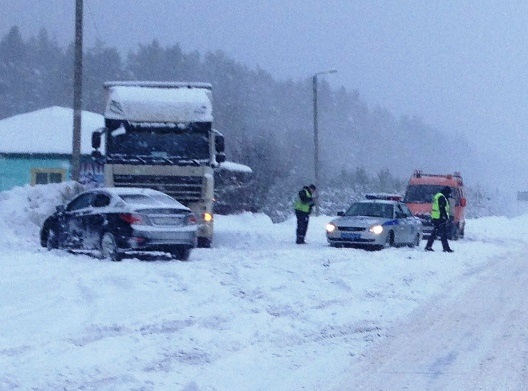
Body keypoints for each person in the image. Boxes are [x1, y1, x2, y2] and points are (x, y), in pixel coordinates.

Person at [425, 186, 454, 252]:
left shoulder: (437, 195)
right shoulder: (441, 197)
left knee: (435, 233)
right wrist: (445, 217)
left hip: (436, 217)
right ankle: (446, 248)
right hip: (440, 218)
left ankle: (428, 246)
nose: (449, 195)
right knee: (443, 234)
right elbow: (442, 208)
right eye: (449, 193)